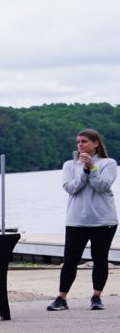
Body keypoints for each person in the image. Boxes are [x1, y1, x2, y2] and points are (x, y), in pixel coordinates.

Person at [50, 129, 117, 311]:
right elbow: (71, 188)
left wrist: (92, 169)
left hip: (103, 220)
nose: (80, 145)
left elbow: (102, 186)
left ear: (96, 143)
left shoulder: (108, 163)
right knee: (70, 259)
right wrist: (84, 171)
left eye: (85, 141)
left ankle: (96, 297)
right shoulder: (70, 165)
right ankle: (61, 298)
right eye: (78, 141)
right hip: (76, 220)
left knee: (100, 259)